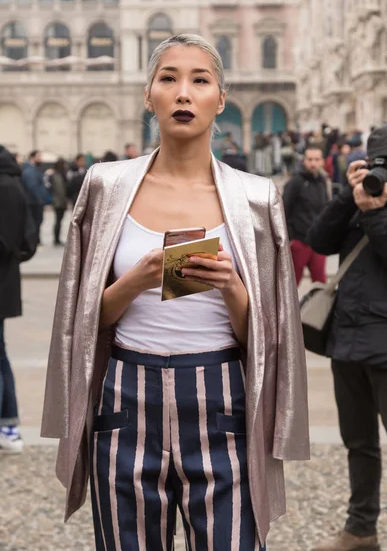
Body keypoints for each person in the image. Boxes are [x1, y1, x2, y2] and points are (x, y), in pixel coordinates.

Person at [41, 34, 309, 550]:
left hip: (220, 396)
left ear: (220, 100)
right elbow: (78, 321)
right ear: (149, 96)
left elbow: (271, 335)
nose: (183, 92)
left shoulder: (256, 198)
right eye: (169, 78)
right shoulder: (105, 185)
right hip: (125, 397)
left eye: (199, 80)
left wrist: (232, 288)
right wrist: (134, 282)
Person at [307, 123, 387, 551]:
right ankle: (360, 531)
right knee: (358, 445)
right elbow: (319, 242)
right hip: (347, 343)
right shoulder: (359, 200)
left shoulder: (380, 212)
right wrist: (349, 196)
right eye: (383, 164)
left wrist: (378, 215)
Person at [0, 146, 28, 453]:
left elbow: (8, 242)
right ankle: (8, 425)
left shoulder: (5, 186)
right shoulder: (13, 184)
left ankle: (8, 428)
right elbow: (27, 241)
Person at [283, 146, 329, 286]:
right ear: (304, 161)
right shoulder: (296, 182)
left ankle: (319, 309)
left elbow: (326, 210)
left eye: (316, 159)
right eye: (310, 159)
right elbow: (283, 209)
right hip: (299, 242)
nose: (313, 163)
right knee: (291, 285)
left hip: (318, 242)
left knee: (321, 283)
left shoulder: (322, 181)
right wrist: (291, 238)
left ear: (322, 161)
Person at [21, 150, 47, 245]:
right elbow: (33, 186)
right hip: (33, 202)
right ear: (33, 157)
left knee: (37, 222)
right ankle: (33, 241)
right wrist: (40, 198)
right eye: (39, 156)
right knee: (34, 222)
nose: (41, 158)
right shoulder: (29, 171)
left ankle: (36, 240)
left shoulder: (35, 169)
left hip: (36, 201)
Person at [50, 159, 68, 246]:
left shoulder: (57, 174)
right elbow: (60, 190)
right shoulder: (57, 175)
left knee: (58, 220)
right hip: (59, 202)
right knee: (58, 220)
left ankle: (57, 238)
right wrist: (63, 201)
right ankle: (56, 239)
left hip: (58, 201)